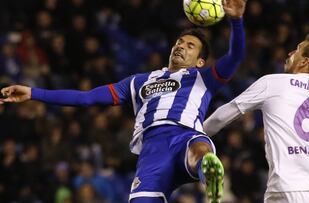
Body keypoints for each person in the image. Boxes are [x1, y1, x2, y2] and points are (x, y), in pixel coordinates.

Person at [0, 0, 248, 202]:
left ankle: (210, 178)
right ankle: (206, 171)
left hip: (184, 136)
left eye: (190, 46)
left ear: (200, 61)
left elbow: (235, 56)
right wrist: (33, 93)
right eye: (179, 42)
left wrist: (236, 21)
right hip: (151, 151)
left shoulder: (202, 78)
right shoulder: (138, 81)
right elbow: (87, 98)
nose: (180, 47)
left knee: (200, 150)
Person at [203, 34, 309, 203]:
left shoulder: (273, 83)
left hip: (286, 189)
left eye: (297, 50)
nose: (290, 53)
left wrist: (194, 136)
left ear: (304, 62)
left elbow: (222, 116)